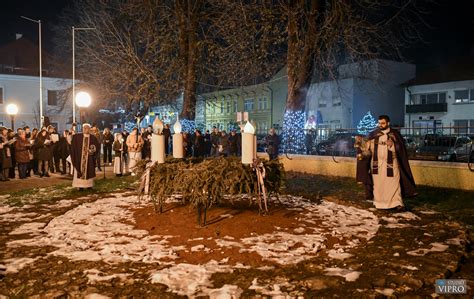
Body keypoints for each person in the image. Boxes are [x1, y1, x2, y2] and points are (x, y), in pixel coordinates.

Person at [366, 115, 417, 210]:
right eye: (379, 123)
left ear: (388, 123)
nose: (380, 125)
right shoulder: (374, 134)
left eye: (383, 123)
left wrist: (393, 145)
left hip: (391, 164)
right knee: (379, 185)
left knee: (394, 184)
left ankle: (397, 203)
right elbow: (367, 149)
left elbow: (400, 149)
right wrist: (364, 144)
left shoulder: (395, 134)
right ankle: (380, 203)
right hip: (377, 165)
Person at [70, 123, 100, 189]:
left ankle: (89, 185)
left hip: (89, 159)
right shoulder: (77, 137)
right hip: (79, 158)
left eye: (87, 128)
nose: (86, 129)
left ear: (89, 129)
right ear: (83, 129)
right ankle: (80, 186)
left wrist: (92, 150)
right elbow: (72, 146)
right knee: (80, 170)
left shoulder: (93, 138)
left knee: (89, 170)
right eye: (84, 128)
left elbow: (97, 147)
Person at [354, 134, 373, 200]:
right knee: (365, 180)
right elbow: (358, 152)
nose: (357, 139)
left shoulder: (366, 143)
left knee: (367, 179)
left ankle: (369, 195)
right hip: (362, 163)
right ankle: (368, 195)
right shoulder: (359, 144)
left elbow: (367, 153)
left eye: (358, 138)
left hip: (365, 162)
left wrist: (362, 155)